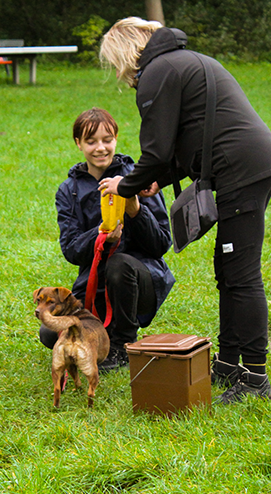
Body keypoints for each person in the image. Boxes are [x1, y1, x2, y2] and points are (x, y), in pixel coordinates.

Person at [98, 18, 271, 403]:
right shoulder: (181, 61)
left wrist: (126, 184)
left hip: (241, 170)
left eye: (115, 63)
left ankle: (255, 379)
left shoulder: (157, 72)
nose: (120, 74)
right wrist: (158, 180)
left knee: (242, 274)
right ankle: (230, 365)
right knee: (228, 269)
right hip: (248, 163)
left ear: (126, 52)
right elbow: (192, 134)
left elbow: (157, 150)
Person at [41, 107, 175, 372]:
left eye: (106, 140)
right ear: (78, 144)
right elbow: (70, 250)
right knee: (49, 334)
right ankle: (102, 337)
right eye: (91, 142)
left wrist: (135, 211)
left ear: (116, 139)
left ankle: (123, 345)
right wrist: (100, 235)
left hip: (140, 280)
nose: (100, 148)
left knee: (120, 264)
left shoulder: (139, 177)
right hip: (94, 286)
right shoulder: (69, 190)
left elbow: (161, 243)